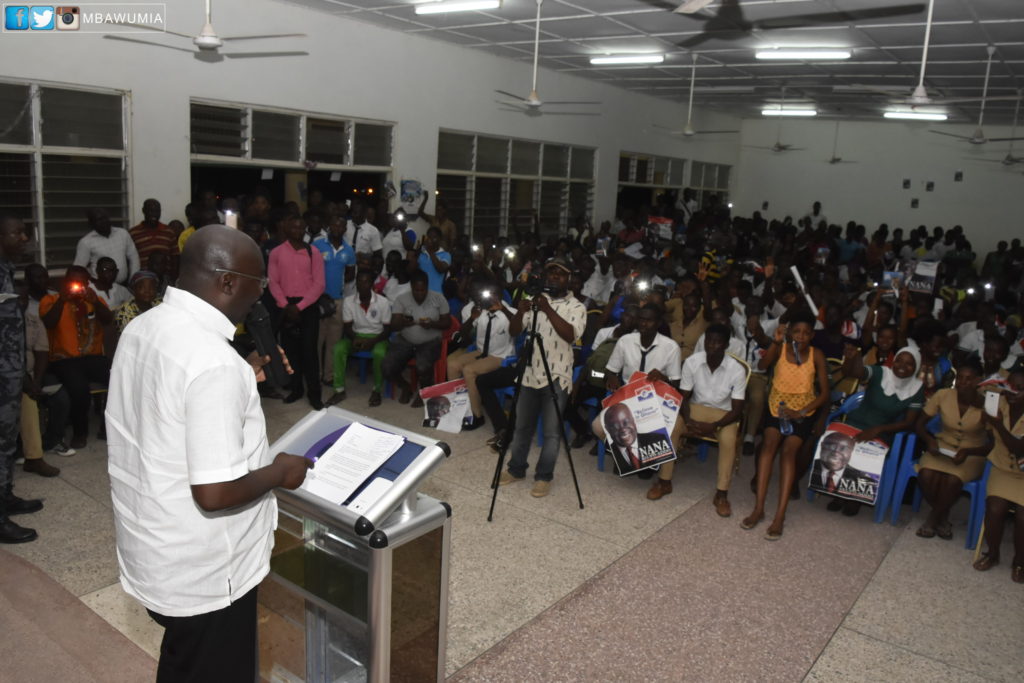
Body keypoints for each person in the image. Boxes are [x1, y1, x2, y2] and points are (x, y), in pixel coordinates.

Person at [107, 225, 312, 681]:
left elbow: (166, 411)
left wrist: (245, 370)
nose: (259, 296)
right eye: (257, 284)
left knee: (186, 663)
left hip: (155, 548)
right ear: (227, 282)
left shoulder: (144, 326)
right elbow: (214, 492)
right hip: (208, 571)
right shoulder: (212, 362)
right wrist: (279, 472)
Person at [497, 257, 587, 498]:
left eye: (560, 273)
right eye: (551, 273)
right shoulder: (532, 299)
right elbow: (514, 331)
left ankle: (543, 476)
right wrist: (522, 312)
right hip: (529, 373)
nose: (554, 277)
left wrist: (546, 309)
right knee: (522, 427)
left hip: (556, 376)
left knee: (551, 432)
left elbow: (570, 335)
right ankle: (516, 469)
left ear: (569, 279)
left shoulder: (577, 307)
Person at [741, 312, 831, 540]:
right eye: (797, 331)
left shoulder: (816, 355)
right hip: (777, 407)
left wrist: (800, 412)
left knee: (789, 453)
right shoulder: (780, 347)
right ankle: (758, 508)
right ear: (790, 332)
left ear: (812, 336)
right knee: (768, 447)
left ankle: (779, 515)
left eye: (806, 333)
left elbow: (825, 395)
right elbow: (762, 365)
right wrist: (776, 341)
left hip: (803, 411)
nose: (801, 336)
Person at [832, 344, 924, 516]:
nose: (902, 366)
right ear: (893, 361)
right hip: (855, 422)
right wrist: (855, 357)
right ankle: (838, 491)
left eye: (909, 364)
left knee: (866, 451)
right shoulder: (881, 372)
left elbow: (909, 422)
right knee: (841, 445)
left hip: (882, 431)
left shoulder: (917, 388)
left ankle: (854, 497)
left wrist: (878, 429)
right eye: (899, 361)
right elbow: (856, 373)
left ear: (916, 367)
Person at [664, 324, 747, 512]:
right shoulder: (692, 362)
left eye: (718, 342)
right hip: (694, 409)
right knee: (674, 426)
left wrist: (715, 426)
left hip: (724, 414)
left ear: (726, 345)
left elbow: (737, 410)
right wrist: (688, 420)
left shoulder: (736, 369)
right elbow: (683, 397)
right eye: (709, 340)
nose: (712, 345)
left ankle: (722, 493)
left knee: (728, 439)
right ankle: (664, 481)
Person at [0, 214, 45, 543]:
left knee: (6, 444)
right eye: (17, 233)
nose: (24, 238)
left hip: (10, 374)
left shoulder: (6, 269)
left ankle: (6, 496)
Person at [914, 359, 990, 540]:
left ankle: (933, 518)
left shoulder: (987, 404)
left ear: (979, 380)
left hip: (972, 453)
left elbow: (993, 444)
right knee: (925, 474)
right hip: (942, 447)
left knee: (953, 480)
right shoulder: (943, 395)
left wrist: (968, 452)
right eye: (961, 378)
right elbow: (919, 425)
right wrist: (929, 440)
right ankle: (943, 516)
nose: (964, 383)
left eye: (969, 379)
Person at [39, 265, 113, 449]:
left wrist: (95, 302)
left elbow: (108, 319)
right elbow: (49, 322)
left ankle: (108, 428)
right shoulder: (51, 299)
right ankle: (80, 433)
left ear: (87, 284)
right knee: (79, 389)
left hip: (92, 357)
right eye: (73, 282)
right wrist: (62, 300)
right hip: (64, 359)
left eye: (82, 282)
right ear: (65, 282)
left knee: (120, 378)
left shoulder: (94, 299)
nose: (77, 286)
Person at [268, 215, 326, 409]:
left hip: (307, 306)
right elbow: (273, 282)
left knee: (310, 352)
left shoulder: (313, 252)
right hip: (285, 306)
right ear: (286, 228)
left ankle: (314, 393)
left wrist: (299, 307)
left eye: (301, 227)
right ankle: (296, 389)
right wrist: (285, 305)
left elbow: (319, 284)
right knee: (290, 352)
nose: (297, 231)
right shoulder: (276, 253)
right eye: (294, 227)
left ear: (305, 230)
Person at [975, 369, 1024, 582]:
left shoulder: (999, 415)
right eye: (1010, 387)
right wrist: (997, 386)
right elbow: (979, 387)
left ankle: (1020, 561)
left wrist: (997, 424)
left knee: (1023, 516)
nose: (1013, 392)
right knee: (995, 508)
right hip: (1002, 468)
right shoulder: (998, 404)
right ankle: (993, 554)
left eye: (1020, 389)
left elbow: (1019, 449)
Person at [447, 279, 515, 431]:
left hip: (500, 356)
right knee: (452, 364)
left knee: (469, 370)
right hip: (480, 352)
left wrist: (503, 309)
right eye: (487, 295)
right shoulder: (481, 311)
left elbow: (520, 328)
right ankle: (458, 408)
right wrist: (472, 318)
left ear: (500, 295)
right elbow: (463, 335)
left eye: (493, 295)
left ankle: (477, 415)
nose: (490, 298)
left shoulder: (510, 312)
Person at [383, 269, 451, 408]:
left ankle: (424, 392)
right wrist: (403, 322)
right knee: (386, 367)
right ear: (411, 287)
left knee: (423, 366)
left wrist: (432, 324)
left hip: (430, 341)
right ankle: (405, 387)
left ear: (427, 286)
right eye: (416, 290)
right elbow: (394, 326)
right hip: (405, 339)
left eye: (422, 290)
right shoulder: (401, 299)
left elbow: (447, 323)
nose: (420, 294)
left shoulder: (439, 298)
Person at [326, 269, 391, 408]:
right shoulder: (349, 301)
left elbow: (387, 330)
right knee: (338, 348)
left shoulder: (383, 302)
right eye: (359, 282)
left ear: (372, 284)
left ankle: (377, 390)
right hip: (356, 335)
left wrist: (372, 341)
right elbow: (348, 326)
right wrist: (355, 339)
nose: (363, 285)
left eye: (366, 282)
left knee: (380, 353)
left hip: (377, 337)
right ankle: (339, 390)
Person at [312, 214, 356, 385]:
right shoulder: (317, 245)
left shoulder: (348, 249)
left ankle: (328, 375)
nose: (338, 229)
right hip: (318, 300)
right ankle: (316, 374)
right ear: (329, 226)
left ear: (345, 229)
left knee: (334, 342)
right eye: (335, 225)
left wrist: (339, 285)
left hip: (338, 301)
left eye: (341, 226)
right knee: (317, 341)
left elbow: (351, 272)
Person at [73, 208, 140, 285]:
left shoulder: (122, 233)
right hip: (100, 288)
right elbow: (78, 269)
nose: (104, 221)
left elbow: (133, 257)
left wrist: (133, 280)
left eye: (105, 218)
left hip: (123, 285)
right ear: (91, 224)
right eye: (99, 220)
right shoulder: (85, 242)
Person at [602, 404, 672, 474]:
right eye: (615, 426)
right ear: (607, 429)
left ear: (633, 421)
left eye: (626, 422)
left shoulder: (658, 438)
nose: (623, 429)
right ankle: (621, 464)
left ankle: (648, 470)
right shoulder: (613, 448)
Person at [808, 431, 873, 493]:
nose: (836, 452)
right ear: (822, 445)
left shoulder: (861, 479)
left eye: (844, 448)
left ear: (851, 452)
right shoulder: (812, 466)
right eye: (831, 446)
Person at [128, 198, 178, 274]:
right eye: (151, 211)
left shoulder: (169, 232)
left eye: (157, 211)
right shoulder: (133, 233)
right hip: (143, 277)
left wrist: (173, 277)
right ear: (143, 211)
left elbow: (175, 256)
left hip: (166, 277)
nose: (154, 214)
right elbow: (130, 259)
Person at [417, 226, 452, 294]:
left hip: (436, 294)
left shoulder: (446, 255)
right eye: (429, 237)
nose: (431, 240)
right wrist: (417, 253)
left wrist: (430, 251)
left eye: (434, 237)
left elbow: (441, 269)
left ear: (440, 239)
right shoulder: (421, 253)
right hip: (420, 294)